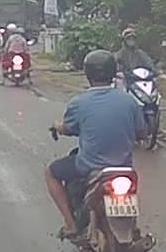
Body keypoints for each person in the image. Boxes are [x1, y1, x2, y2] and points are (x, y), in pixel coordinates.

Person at [45, 50, 148, 239]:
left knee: (51, 172)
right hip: (124, 167)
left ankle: (70, 225)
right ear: (113, 72)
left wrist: (57, 127)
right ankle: (133, 227)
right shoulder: (129, 101)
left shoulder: (79, 103)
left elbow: (69, 128)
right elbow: (142, 132)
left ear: (87, 73)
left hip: (90, 166)